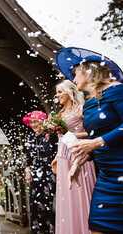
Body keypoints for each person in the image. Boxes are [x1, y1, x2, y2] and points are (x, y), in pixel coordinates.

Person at [56, 47, 123, 233]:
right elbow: (96, 135)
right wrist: (82, 158)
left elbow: (102, 137)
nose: (72, 77)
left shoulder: (117, 91)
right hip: (106, 178)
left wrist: (98, 142)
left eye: (74, 72)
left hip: (121, 169)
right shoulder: (90, 104)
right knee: (97, 225)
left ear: (88, 70)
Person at [51, 80, 96, 234]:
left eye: (60, 92)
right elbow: (59, 139)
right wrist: (57, 156)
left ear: (70, 92)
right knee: (67, 197)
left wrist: (73, 135)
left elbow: (93, 133)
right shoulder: (60, 114)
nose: (57, 96)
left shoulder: (81, 109)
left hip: (79, 154)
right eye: (56, 93)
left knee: (80, 192)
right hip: (64, 157)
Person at [22, 111, 57, 234]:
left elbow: (57, 153)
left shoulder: (51, 136)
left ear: (43, 122)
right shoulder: (30, 137)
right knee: (35, 202)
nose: (33, 124)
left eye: (36, 121)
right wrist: (27, 170)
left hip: (49, 172)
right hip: (35, 173)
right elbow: (27, 157)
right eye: (31, 122)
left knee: (48, 201)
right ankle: (37, 230)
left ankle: (51, 230)